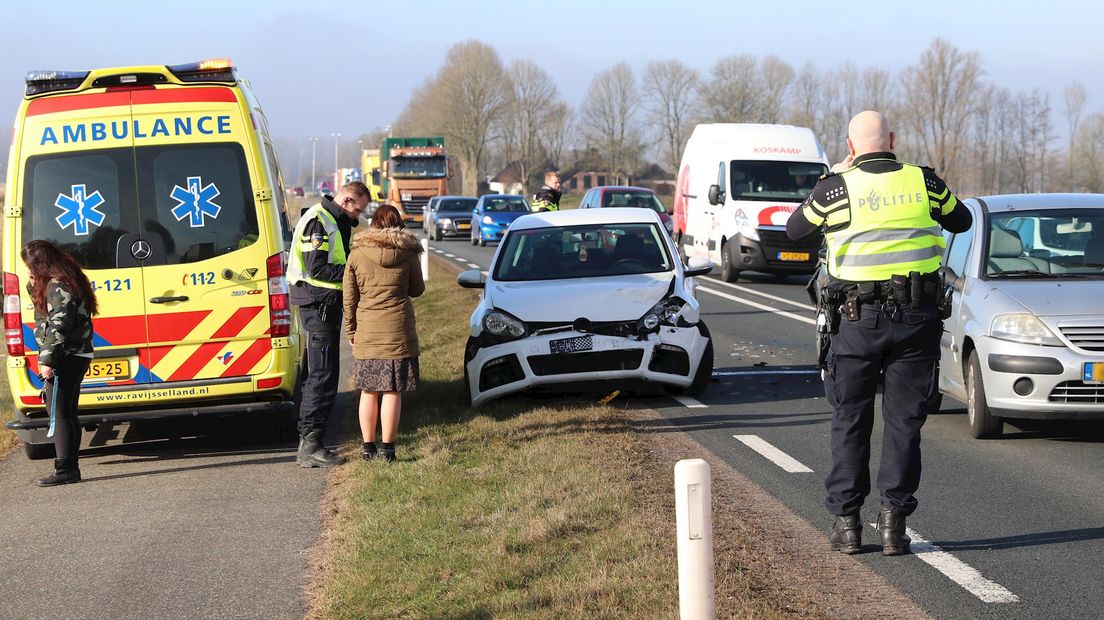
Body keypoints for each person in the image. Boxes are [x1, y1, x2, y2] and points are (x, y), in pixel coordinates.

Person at [786, 111, 972, 556]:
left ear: (850, 147)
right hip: (916, 319)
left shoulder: (835, 188)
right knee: (904, 423)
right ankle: (894, 526)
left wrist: (837, 179)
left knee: (851, 420)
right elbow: (961, 221)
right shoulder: (925, 184)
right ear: (891, 139)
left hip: (855, 320)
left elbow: (795, 230)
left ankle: (847, 525)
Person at [287, 181, 371, 467]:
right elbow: (318, 268)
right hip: (317, 305)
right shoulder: (319, 222)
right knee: (320, 377)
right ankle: (310, 444)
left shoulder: (334, 219)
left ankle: (312, 442)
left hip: (325, 305)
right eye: (357, 209)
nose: (357, 217)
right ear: (347, 200)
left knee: (326, 374)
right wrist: (354, 271)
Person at [342, 205, 424, 462]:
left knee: (368, 390)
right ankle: (388, 449)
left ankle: (368, 448)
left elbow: (349, 297)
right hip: (397, 331)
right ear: (398, 224)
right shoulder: (408, 253)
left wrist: (351, 330)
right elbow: (417, 289)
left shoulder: (357, 254)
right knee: (392, 391)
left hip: (368, 330)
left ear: (374, 224)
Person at [21, 240, 97, 487]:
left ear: (42, 264)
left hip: (65, 356)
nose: (29, 273)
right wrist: (33, 288)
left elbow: (58, 326)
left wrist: (47, 361)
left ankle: (65, 468)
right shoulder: (63, 280)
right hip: (75, 354)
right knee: (67, 412)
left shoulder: (58, 286)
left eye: (31, 268)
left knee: (59, 414)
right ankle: (69, 466)